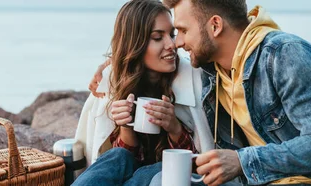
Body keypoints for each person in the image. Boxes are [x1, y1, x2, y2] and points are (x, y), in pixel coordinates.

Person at [159, 0, 311, 185]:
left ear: (215, 25)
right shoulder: (212, 74)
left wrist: (243, 161)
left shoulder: (286, 55)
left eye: (182, 30)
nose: (177, 42)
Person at [72, 0, 214, 185]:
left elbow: (196, 166)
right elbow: (124, 163)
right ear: (135, 44)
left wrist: (174, 128)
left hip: (167, 177)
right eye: (157, 37)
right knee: (117, 155)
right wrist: (125, 126)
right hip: (135, 176)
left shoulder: (194, 79)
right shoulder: (113, 82)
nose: (172, 44)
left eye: (171, 34)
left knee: (164, 167)